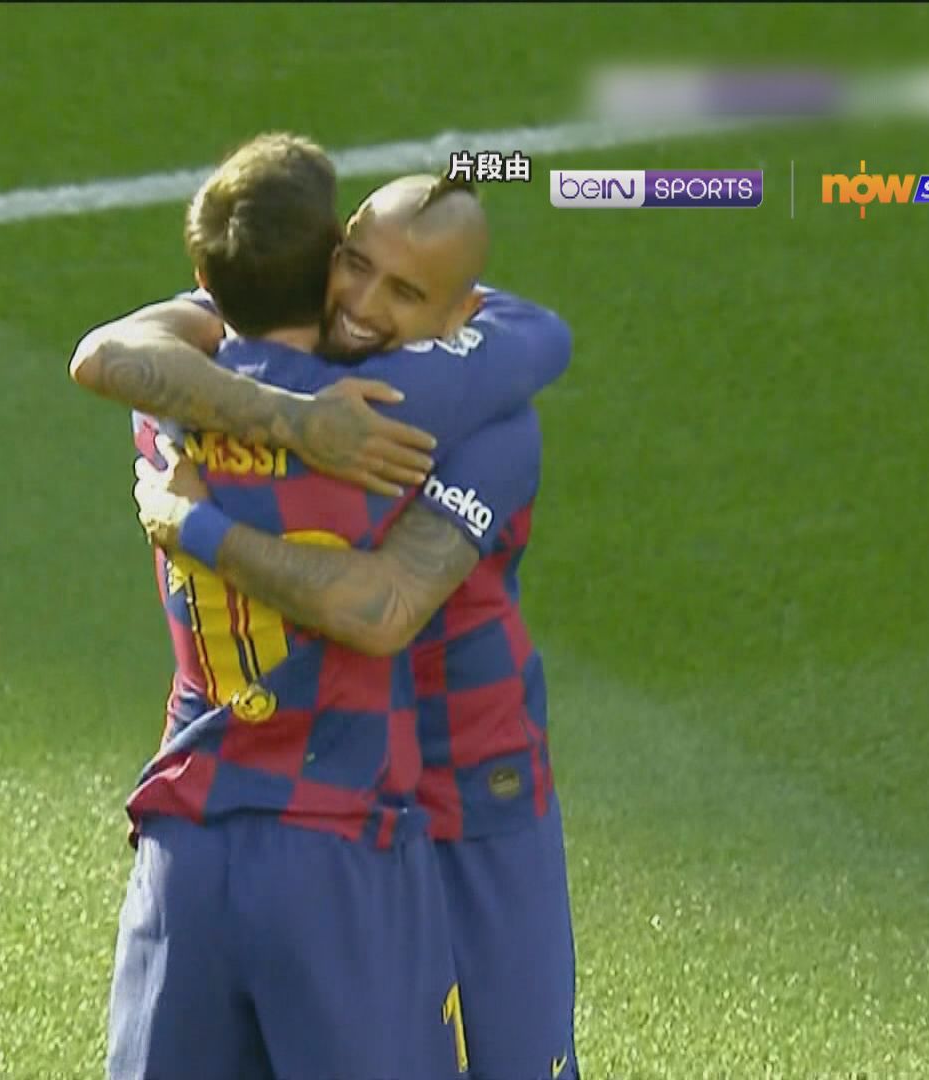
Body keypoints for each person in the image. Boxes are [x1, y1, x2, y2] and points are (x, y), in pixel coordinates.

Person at [70, 133, 570, 1080]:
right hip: (353, 810)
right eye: (355, 264)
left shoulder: (195, 383)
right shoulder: (458, 402)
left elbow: (106, 353)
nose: (365, 306)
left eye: (405, 292)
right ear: (328, 251)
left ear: (461, 314)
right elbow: (545, 336)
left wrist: (194, 521)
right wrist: (300, 423)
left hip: (466, 785)